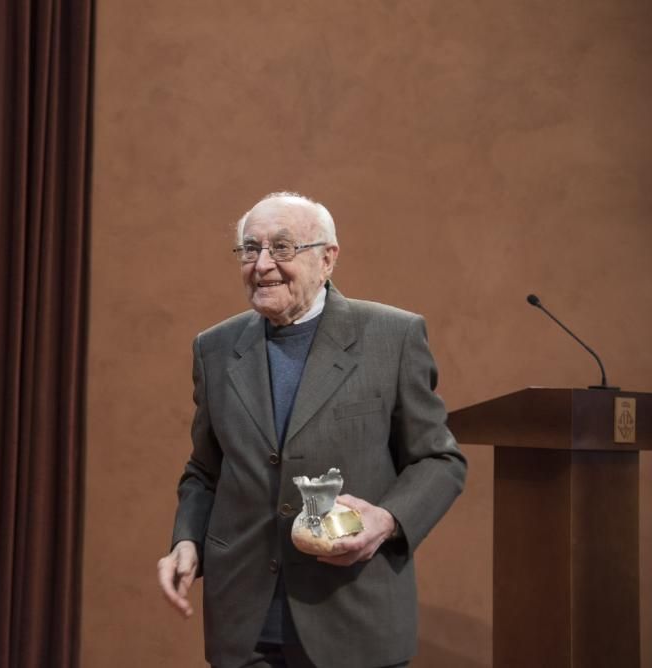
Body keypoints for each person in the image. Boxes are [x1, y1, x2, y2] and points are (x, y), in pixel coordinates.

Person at [157, 192, 468, 668]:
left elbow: (439, 461)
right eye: (249, 249)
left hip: (354, 619)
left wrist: (384, 522)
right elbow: (205, 471)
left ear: (328, 258)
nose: (262, 264)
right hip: (245, 627)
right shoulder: (214, 349)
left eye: (282, 248)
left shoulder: (392, 336)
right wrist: (185, 542)